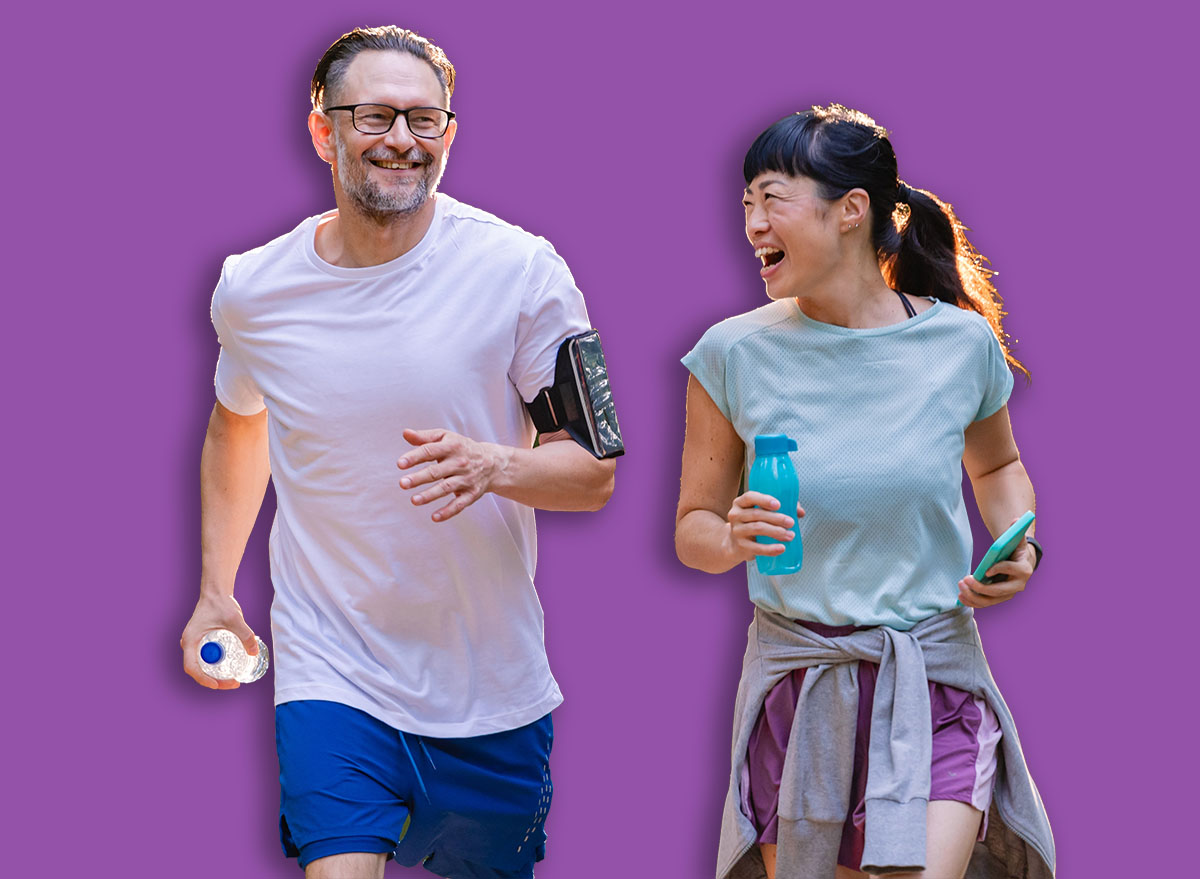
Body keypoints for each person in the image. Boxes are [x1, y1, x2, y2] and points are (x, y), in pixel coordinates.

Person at [180, 26, 618, 879]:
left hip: (490, 686)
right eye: (374, 115)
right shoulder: (254, 288)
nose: (400, 141)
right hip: (330, 666)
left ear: (449, 133)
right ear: (323, 130)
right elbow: (238, 424)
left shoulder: (524, 271)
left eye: (424, 120)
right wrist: (212, 592)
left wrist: (496, 464)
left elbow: (594, 471)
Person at [675, 105, 1054, 879]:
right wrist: (731, 534)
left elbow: (998, 467)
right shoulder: (732, 353)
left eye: (772, 197)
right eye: (745, 201)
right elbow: (692, 528)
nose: (752, 223)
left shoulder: (960, 342)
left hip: (935, 675)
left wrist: (1021, 539)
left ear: (851, 210)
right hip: (801, 685)